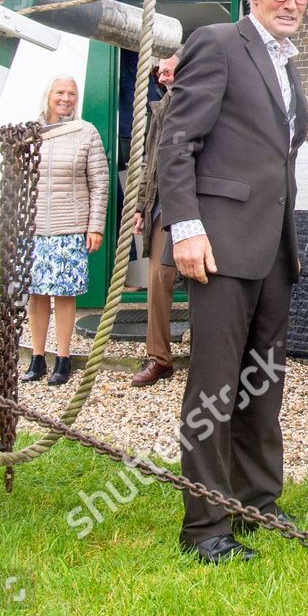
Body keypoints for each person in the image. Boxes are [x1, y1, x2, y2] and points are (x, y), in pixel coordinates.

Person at [157, 0, 308, 564]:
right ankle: (205, 528)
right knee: (215, 385)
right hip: (218, 243)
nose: (290, 3)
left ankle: (257, 501)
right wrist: (186, 229)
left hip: (274, 247)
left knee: (262, 382)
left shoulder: (288, 67)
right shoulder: (219, 42)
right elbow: (178, 143)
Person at [21, 75, 107, 387]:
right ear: (49, 95)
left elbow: (99, 182)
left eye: (71, 93)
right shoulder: (32, 133)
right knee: (37, 293)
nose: (66, 98)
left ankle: (64, 357)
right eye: (60, 92)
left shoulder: (87, 133)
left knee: (65, 293)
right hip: (35, 226)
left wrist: (95, 225)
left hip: (70, 225)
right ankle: (37, 356)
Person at [130, 52, 181, 387]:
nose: (162, 75)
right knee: (160, 281)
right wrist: (140, 205)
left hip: (200, 207)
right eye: (158, 71)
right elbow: (150, 163)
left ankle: (212, 354)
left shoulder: (201, 98)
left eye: (168, 68)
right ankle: (159, 357)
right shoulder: (159, 109)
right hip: (164, 209)